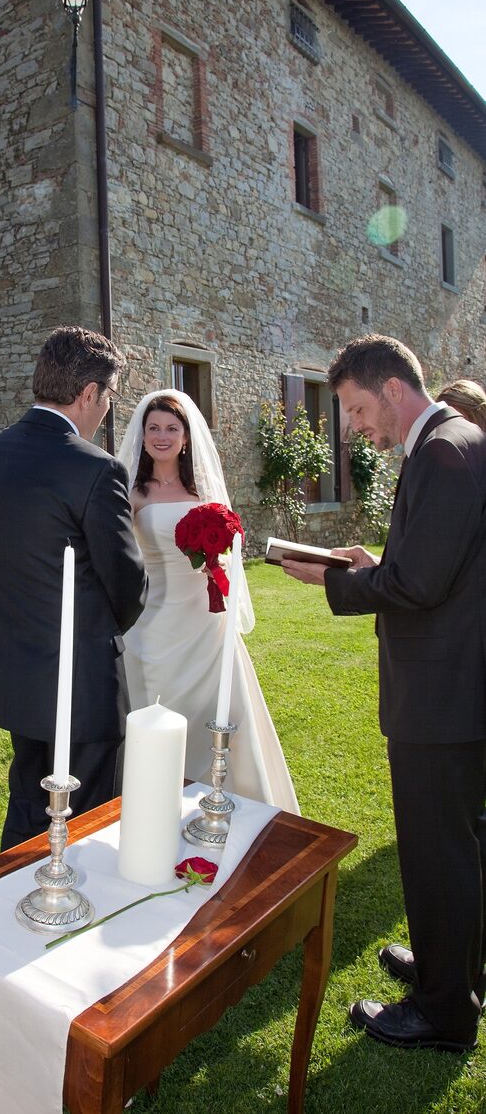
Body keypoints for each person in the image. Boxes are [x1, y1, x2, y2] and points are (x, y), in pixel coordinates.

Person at [282, 334, 486, 1053]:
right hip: (454, 688)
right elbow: (435, 562)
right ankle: (451, 974)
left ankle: (442, 1014)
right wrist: (381, 559)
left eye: (357, 409)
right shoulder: (454, 443)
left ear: (393, 390)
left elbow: (420, 586)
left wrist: (332, 580)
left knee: (439, 855)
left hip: (442, 697)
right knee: (458, 849)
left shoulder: (443, 452)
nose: (354, 428)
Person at [0, 325, 148, 849]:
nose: (107, 410)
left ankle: (8, 905)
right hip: (83, 683)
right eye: (109, 397)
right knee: (87, 822)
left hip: (15, 674)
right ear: (89, 393)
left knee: (26, 802)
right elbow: (127, 587)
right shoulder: (94, 468)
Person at [116, 390, 299, 812]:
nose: (162, 436)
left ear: (185, 437)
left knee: (216, 713)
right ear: (142, 437)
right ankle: (158, 804)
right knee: (157, 714)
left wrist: (218, 557)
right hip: (153, 623)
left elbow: (229, 554)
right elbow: (123, 557)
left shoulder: (204, 492)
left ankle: (227, 800)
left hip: (204, 620)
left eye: (172, 429)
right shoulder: (132, 494)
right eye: (154, 428)